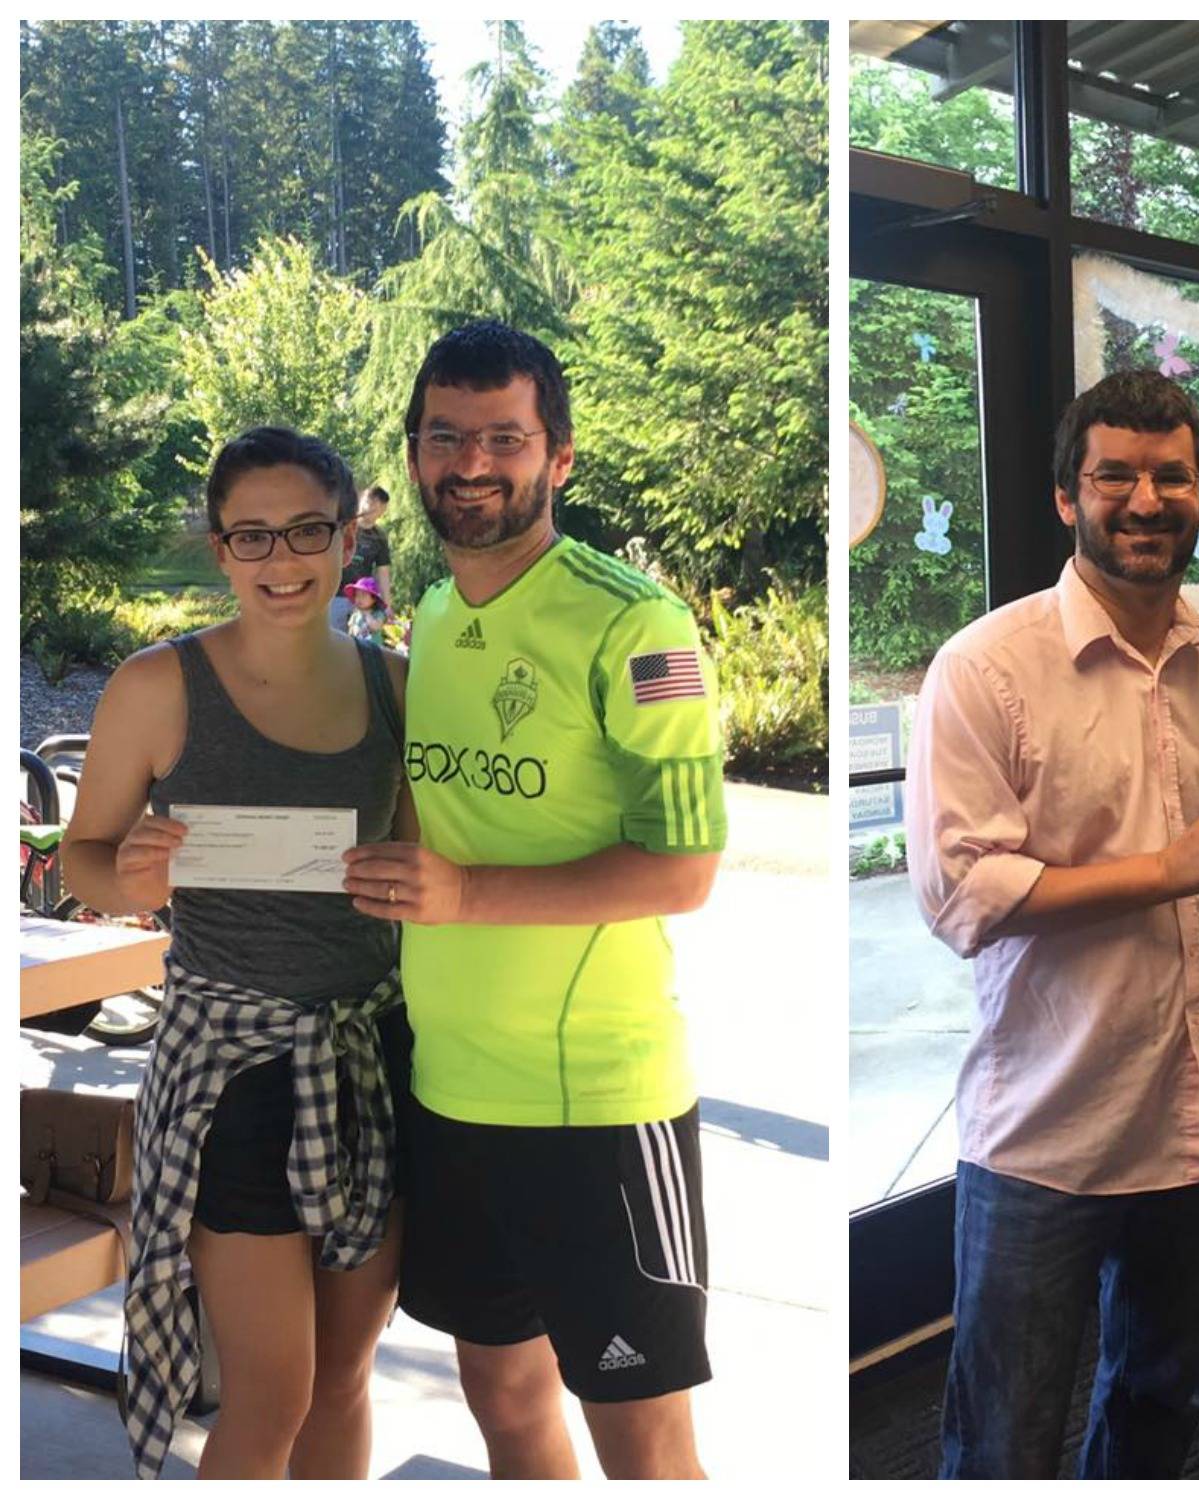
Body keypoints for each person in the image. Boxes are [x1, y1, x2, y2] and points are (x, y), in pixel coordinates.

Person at [341, 321, 727, 1480]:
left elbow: (684, 870)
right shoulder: (439, 613)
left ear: (557, 457)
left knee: (647, 1446)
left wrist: (460, 895)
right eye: (445, 438)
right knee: (504, 1398)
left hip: (596, 1106)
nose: (471, 463)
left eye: (502, 438)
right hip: (448, 1091)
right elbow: (432, 804)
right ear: (412, 457)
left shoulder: (634, 624)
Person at [905, 369, 1199, 1479]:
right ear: (1068, 496)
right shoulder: (985, 667)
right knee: (1004, 1434)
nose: (1145, 499)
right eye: (1115, 474)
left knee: (1154, 1402)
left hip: (1195, 1118)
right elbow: (962, 894)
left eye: (1172, 477)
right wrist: (1162, 870)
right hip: (1045, 1133)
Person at [61, 427, 412, 1480]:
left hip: (371, 1055)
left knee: (348, 1376)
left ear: (347, 537)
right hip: (233, 1072)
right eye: (250, 537)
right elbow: (80, 854)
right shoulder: (159, 686)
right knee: (272, 1392)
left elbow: (426, 862)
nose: (281, 560)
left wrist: (417, 881)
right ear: (219, 550)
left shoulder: (397, 686)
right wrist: (127, 879)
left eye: (306, 530)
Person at [330, 483, 393, 631]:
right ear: (363, 500)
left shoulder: (379, 538)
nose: (372, 509)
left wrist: (387, 606)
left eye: (378, 507)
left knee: (356, 645)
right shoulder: (342, 526)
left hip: (362, 602)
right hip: (335, 595)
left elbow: (383, 573)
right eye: (370, 502)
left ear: (382, 510)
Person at [344, 576, 389, 642]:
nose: (360, 598)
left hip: (372, 648)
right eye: (357, 595)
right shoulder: (355, 614)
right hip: (357, 647)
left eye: (363, 595)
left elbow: (376, 627)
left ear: (373, 599)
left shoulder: (378, 613)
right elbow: (351, 630)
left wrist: (367, 615)